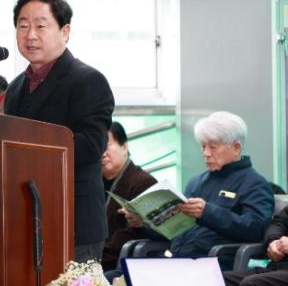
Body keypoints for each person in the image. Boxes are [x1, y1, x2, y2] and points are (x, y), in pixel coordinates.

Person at [3, 0, 115, 262]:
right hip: (24, 220)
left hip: (73, 222)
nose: (30, 35)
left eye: (41, 26)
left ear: (65, 32)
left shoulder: (88, 80)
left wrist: (27, 149)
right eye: (23, 26)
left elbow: (90, 146)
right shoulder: (15, 88)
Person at [117, 111, 273, 274]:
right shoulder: (197, 182)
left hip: (212, 265)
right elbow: (174, 230)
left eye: (213, 147)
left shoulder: (254, 184)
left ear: (236, 147)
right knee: (113, 276)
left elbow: (255, 230)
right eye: (203, 146)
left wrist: (207, 212)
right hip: (175, 260)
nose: (206, 153)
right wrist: (142, 224)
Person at [101, 121, 157, 271]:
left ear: (124, 147)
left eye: (106, 145)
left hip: (120, 261)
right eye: (98, 146)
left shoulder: (143, 182)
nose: (102, 153)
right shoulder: (94, 184)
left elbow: (131, 235)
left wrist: (94, 259)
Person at [223, 205, 288, 286]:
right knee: (219, 279)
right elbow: (278, 223)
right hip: (278, 266)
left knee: (252, 283)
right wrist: (273, 241)